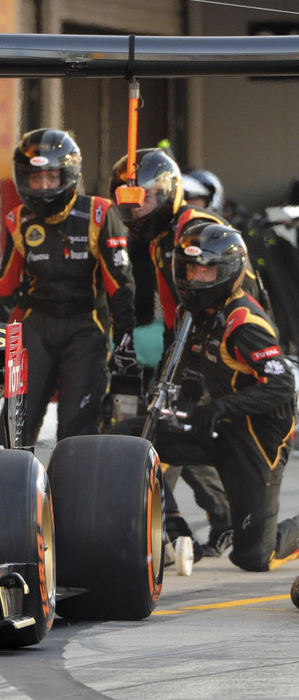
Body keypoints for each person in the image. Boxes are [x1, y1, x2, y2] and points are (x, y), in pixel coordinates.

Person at [120, 222, 299, 572]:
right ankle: (169, 529)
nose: (196, 278)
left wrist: (221, 406)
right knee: (128, 438)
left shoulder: (244, 322)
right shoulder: (194, 313)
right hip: (217, 427)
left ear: (228, 271)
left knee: (254, 557)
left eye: (207, 270)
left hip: (257, 441)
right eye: (190, 269)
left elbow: (282, 385)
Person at [109, 148, 239, 558]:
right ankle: (192, 524)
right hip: (187, 347)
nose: (136, 209)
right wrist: (173, 360)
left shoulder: (197, 230)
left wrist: (200, 360)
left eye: (144, 198)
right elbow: (172, 311)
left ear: (165, 192)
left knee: (172, 432)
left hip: (226, 349)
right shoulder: (159, 240)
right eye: (127, 200)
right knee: (170, 428)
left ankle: (210, 523)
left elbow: (237, 298)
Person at [0, 128, 136, 445]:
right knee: (13, 429)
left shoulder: (99, 214)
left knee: (75, 434)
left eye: (51, 177)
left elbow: (120, 287)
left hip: (86, 330)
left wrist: (124, 342)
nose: (43, 186)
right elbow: (6, 286)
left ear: (67, 175)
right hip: (35, 329)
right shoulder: (18, 220)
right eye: (35, 178)